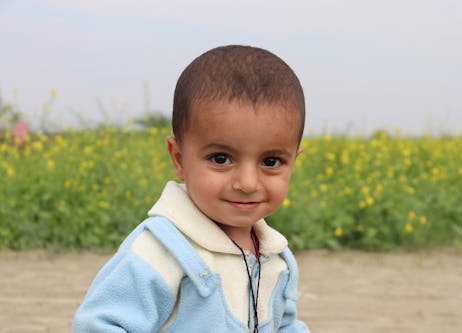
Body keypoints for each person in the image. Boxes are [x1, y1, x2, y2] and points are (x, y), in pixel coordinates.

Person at [72, 45, 310, 333]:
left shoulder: (276, 257)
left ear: (294, 161)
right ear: (179, 159)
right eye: (220, 159)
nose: (247, 183)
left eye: (271, 161)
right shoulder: (163, 250)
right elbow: (98, 325)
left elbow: (283, 325)